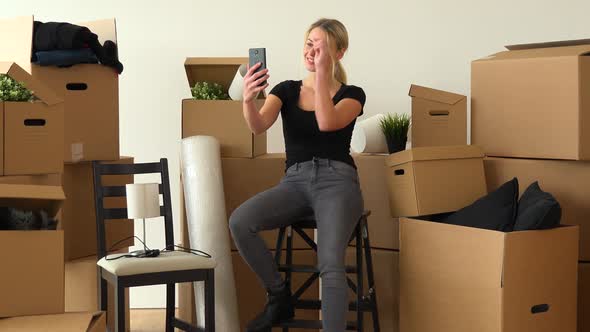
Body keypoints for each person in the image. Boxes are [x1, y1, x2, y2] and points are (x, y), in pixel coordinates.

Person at [229, 17, 366, 332]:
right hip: (294, 182)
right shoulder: (286, 90)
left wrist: (320, 76)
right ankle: (279, 297)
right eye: (309, 43)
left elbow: (327, 123)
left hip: (338, 183)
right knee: (240, 221)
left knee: (330, 264)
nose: (312, 51)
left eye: (321, 46)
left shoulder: (353, 94)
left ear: (339, 53)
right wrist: (249, 100)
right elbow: (258, 125)